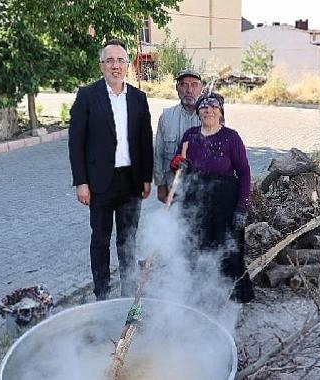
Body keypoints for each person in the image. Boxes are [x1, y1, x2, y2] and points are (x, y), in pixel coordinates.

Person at [68, 39, 153, 301]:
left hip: (131, 182)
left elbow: (145, 140)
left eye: (120, 60)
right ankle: (102, 295)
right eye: (110, 60)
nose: (115, 66)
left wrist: (146, 177)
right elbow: (76, 141)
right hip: (99, 184)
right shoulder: (87, 96)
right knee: (100, 241)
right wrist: (81, 182)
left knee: (128, 242)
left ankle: (128, 293)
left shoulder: (138, 98)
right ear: (101, 65)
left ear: (128, 65)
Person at [171, 91, 255, 303]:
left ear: (220, 111)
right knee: (195, 247)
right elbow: (179, 163)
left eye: (213, 106)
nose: (208, 109)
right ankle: (199, 296)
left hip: (225, 201)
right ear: (198, 112)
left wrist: (242, 207)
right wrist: (177, 163)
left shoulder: (231, 137)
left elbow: (244, 173)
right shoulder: (190, 136)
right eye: (204, 107)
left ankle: (232, 299)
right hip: (195, 199)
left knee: (229, 250)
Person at [153, 69, 202, 203]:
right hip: (172, 188)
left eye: (194, 85)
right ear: (177, 88)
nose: (189, 90)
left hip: (202, 189)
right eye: (184, 85)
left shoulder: (210, 116)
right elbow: (158, 154)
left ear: (201, 88)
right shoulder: (166, 117)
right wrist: (160, 186)